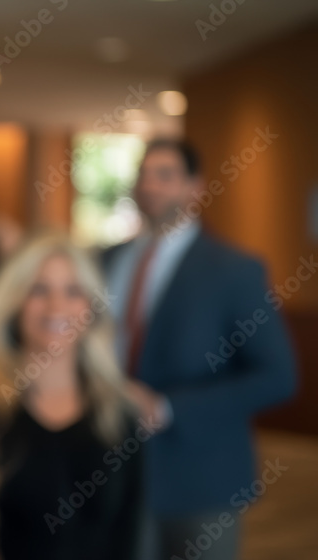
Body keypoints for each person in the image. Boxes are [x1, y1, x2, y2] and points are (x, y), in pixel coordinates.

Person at [102, 139, 296, 560]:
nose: (149, 184)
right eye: (143, 173)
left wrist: (169, 408)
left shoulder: (234, 270)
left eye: (165, 175)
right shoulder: (107, 260)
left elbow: (278, 377)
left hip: (200, 480)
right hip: (111, 476)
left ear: (195, 188)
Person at [0, 232, 142, 560]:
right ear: (15, 302)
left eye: (73, 291)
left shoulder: (120, 416)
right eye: (39, 290)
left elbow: (130, 537)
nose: (57, 306)